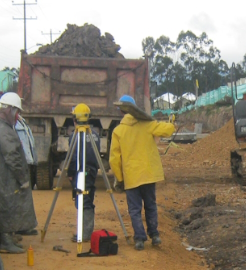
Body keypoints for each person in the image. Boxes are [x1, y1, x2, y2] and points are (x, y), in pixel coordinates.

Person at [109, 94, 175, 250]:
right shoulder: (147, 125)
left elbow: (114, 159)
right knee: (151, 205)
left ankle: (139, 239)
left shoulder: (118, 131)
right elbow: (167, 130)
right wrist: (172, 122)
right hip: (149, 175)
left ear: (120, 111)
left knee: (134, 209)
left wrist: (119, 178)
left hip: (131, 177)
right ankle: (155, 235)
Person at [0, 93, 37, 254]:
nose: (18, 116)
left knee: (4, 205)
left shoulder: (1, 128)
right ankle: (6, 242)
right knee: (7, 206)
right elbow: (13, 158)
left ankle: (4, 237)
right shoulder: (5, 131)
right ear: (9, 110)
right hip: (6, 178)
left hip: (2, 177)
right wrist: (23, 178)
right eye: (17, 112)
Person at [64, 103, 100, 242]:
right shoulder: (95, 135)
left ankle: (84, 234)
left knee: (83, 202)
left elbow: (73, 157)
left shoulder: (75, 135)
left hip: (80, 172)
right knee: (87, 199)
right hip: (91, 172)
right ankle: (84, 231)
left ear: (75, 118)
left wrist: (71, 173)